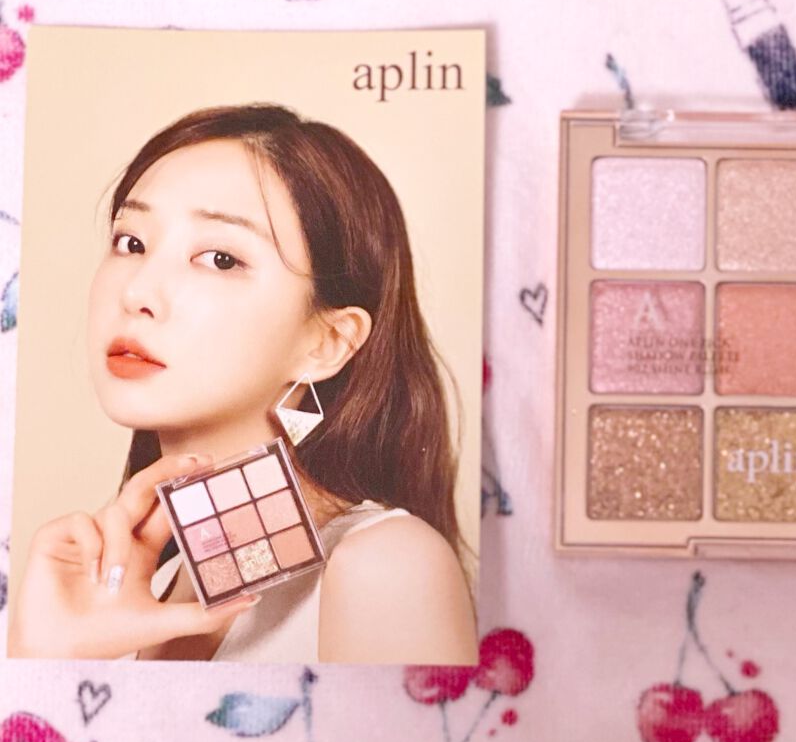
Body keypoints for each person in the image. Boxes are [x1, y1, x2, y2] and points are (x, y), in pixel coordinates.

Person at [9, 104, 478, 664]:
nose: (137, 292)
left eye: (220, 258)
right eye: (131, 243)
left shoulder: (382, 566)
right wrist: (40, 661)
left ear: (327, 342)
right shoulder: (131, 596)